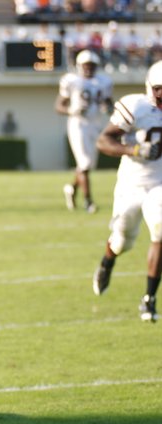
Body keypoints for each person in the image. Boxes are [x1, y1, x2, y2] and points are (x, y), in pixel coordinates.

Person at [92, 61, 162, 323]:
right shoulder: (137, 106)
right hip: (131, 183)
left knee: (160, 231)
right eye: (160, 89)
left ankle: (149, 299)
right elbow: (103, 140)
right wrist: (134, 150)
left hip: (160, 182)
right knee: (122, 240)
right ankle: (107, 261)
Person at [55, 49, 114, 214]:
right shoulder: (71, 80)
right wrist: (71, 111)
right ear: (79, 65)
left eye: (92, 65)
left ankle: (72, 189)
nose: (89, 68)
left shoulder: (104, 81)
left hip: (95, 124)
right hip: (77, 124)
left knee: (86, 165)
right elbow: (59, 106)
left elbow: (109, 103)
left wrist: (108, 108)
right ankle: (89, 201)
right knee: (85, 163)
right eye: (86, 65)